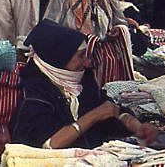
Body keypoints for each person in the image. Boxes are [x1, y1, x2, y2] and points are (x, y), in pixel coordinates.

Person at [9, 19, 157, 149]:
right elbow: (50, 143)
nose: (87, 62)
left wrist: (137, 127)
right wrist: (94, 116)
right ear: (58, 59)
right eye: (81, 56)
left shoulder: (84, 81)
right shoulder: (35, 93)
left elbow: (110, 110)